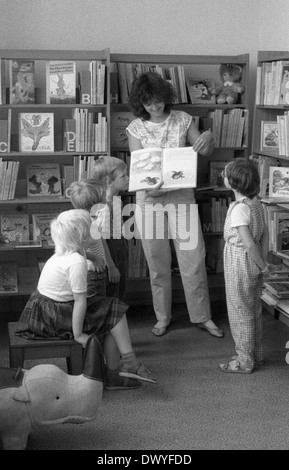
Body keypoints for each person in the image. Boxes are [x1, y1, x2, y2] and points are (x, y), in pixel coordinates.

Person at [126, 71, 224, 338]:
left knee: (193, 258)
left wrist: (208, 139)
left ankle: (203, 317)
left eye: (158, 101)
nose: (155, 107)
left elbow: (204, 151)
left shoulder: (182, 119)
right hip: (149, 201)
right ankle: (163, 317)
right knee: (157, 261)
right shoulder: (135, 127)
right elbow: (138, 168)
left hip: (182, 198)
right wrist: (150, 191)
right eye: (148, 104)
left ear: (165, 97)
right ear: (141, 104)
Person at [17, 209, 156, 387]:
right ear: (83, 237)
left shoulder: (67, 251)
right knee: (114, 312)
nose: (96, 227)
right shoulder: (76, 262)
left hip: (46, 308)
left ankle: (118, 369)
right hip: (55, 316)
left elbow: (82, 253)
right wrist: (78, 334)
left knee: (113, 311)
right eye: (92, 227)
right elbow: (80, 301)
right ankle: (126, 365)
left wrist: (93, 256)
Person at [219, 158, 272, 374]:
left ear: (233, 183)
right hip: (253, 265)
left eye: (225, 173)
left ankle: (244, 361)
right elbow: (264, 235)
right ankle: (255, 356)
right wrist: (263, 262)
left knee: (239, 312)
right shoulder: (256, 203)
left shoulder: (239, 209)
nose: (222, 175)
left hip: (239, 262)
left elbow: (248, 244)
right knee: (253, 310)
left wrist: (264, 266)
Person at [92, 155, 130, 300]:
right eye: (123, 176)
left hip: (119, 249)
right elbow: (99, 239)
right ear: (109, 181)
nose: (127, 178)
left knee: (119, 291)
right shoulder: (103, 207)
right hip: (109, 255)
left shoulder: (116, 201)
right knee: (112, 294)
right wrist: (111, 266)